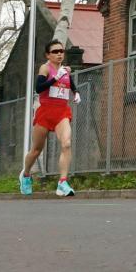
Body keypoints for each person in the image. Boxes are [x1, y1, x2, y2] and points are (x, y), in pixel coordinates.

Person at [19, 40, 81, 197]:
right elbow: (39, 88)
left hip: (62, 113)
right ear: (48, 55)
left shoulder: (65, 70)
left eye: (61, 51)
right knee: (36, 150)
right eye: (55, 51)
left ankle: (62, 182)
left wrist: (76, 92)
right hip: (46, 113)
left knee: (66, 144)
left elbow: (70, 83)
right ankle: (25, 175)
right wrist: (54, 78)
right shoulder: (45, 68)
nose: (59, 54)